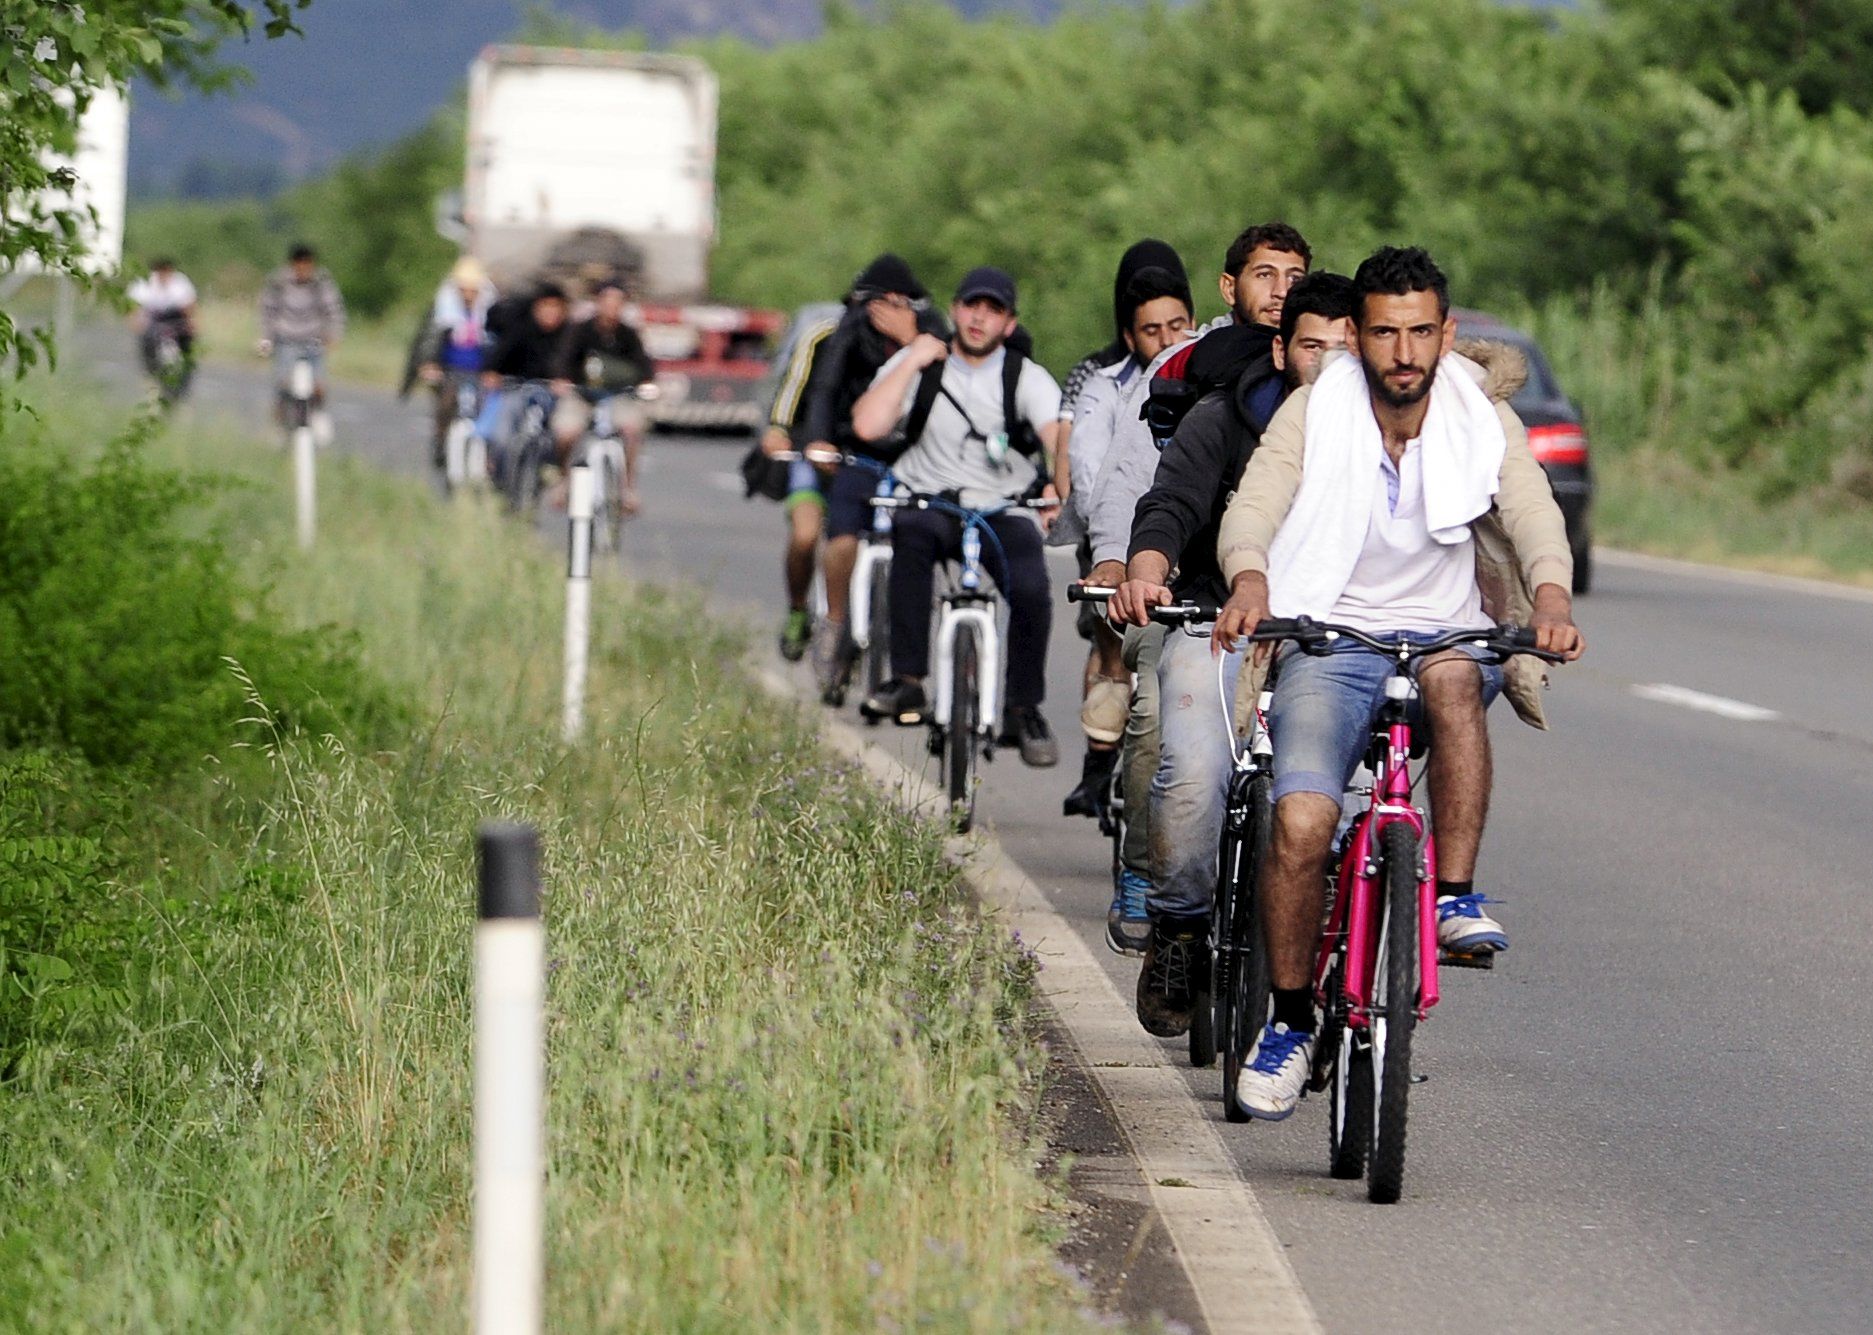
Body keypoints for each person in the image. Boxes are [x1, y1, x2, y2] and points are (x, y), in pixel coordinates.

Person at [1204, 246, 1583, 1120]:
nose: (1404, 353)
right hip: (1329, 639)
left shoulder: (1478, 416)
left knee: (1456, 681)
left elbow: (1528, 508)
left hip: (1442, 633)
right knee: (1301, 821)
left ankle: (1450, 894)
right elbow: (1254, 503)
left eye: (1420, 332)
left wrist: (1551, 596)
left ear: (1446, 334)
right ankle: (1291, 1020)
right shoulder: (1315, 408)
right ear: (1358, 339)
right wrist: (1252, 578)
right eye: (1384, 333)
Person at [1102, 271, 1355, 1028]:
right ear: (1281, 350)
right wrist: (1146, 568)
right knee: (1193, 768)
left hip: (1332, 638)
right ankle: (1179, 927)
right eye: (1313, 346)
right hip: (1217, 619)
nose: (1329, 366)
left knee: (1360, 793)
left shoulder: (1387, 433)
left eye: (1347, 349)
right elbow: (1171, 500)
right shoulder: (1223, 415)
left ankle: (1351, 951)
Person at [851, 266, 1064, 767]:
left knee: (1032, 587)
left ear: (1009, 324)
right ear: (954, 309)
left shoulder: (1024, 377)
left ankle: (1022, 708)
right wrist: (912, 361)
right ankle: (907, 681)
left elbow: (1058, 438)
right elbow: (867, 424)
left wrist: (1059, 486)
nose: (979, 318)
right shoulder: (922, 363)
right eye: (972, 305)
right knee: (910, 537)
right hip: (933, 500)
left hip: (1000, 506)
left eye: (994, 310)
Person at [1055, 263, 1197, 953]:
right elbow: (1094, 465)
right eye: (1151, 328)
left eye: (1178, 324)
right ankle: (1140, 866)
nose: (1167, 338)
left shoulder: (1251, 379)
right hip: (1126, 543)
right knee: (1144, 702)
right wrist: (1109, 550)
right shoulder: (1101, 382)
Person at [795, 254, 946, 701]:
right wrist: (819, 439)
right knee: (841, 538)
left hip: (916, 456)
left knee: (923, 539)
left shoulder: (931, 330)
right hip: (858, 454)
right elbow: (824, 387)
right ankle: (835, 620)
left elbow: (952, 377)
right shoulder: (849, 333)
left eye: (897, 302)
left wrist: (911, 341)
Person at [760, 303, 845, 661]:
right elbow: (791, 391)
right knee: (806, 535)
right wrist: (779, 429)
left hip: (859, 459)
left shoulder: (901, 344)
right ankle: (798, 610)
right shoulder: (821, 337)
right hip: (809, 450)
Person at [558, 279, 655, 511]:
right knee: (566, 432)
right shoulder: (581, 330)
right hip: (583, 394)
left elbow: (644, 366)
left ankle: (627, 487)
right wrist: (563, 381)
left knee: (631, 431)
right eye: (607, 301)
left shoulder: (629, 334)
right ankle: (564, 480)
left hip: (618, 395)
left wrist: (646, 384)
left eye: (617, 302)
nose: (612, 307)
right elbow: (565, 360)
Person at [479, 282, 575, 477]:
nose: (550, 313)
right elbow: (499, 357)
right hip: (517, 389)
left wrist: (566, 382)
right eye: (546, 306)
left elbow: (576, 365)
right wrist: (492, 373)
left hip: (552, 395)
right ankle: (498, 472)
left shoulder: (569, 335)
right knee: (501, 433)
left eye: (555, 307)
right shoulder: (520, 330)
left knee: (564, 430)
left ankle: (553, 473)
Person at [415, 256, 499, 467]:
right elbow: (430, 339)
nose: (468, 294)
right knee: (445, 404)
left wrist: (496, 370)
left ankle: (487, 458)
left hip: (480, 371)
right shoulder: (444, 307)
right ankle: (441, 443)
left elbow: (498, 343)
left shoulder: (492, 311)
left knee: (487, 411)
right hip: (450, 368)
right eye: (464, 289)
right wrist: (429, 363)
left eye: (473, 289)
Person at [258, 242, 345, 444]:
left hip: (314, 339)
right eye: (300, 264)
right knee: (282, 383)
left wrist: (333, 335)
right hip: (286, 339)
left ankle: (319, 414)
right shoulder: (279, 283)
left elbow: (333, 310)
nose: (304, 269)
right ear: (293, 264)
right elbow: (267, 312)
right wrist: (265, 339)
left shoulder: (321, 283)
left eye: (308, 265)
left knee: (319, 384)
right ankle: (279, 427)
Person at [127, 257, 198, 391]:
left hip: (175, 317)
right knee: (148, 339)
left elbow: (189, 305)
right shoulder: (145, 282)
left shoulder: (180, 282)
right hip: (154, 318)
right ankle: (152, 370)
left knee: (187, 340)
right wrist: (136, 322)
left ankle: (185, 372)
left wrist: (191, 323)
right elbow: (135, 306)